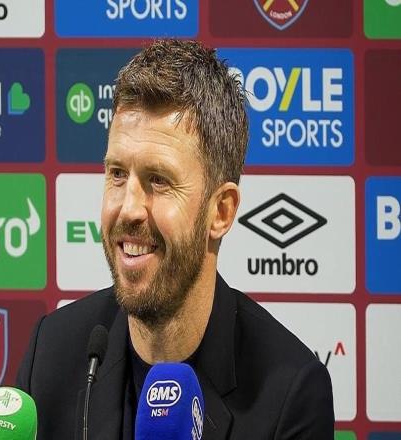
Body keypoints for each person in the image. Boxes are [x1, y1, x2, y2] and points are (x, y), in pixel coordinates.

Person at [17, 39, 334, 439]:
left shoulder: (289, 394)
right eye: (117, 174)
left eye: (159, 180)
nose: (128, 209)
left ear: (221, 212)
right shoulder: (51, 354)